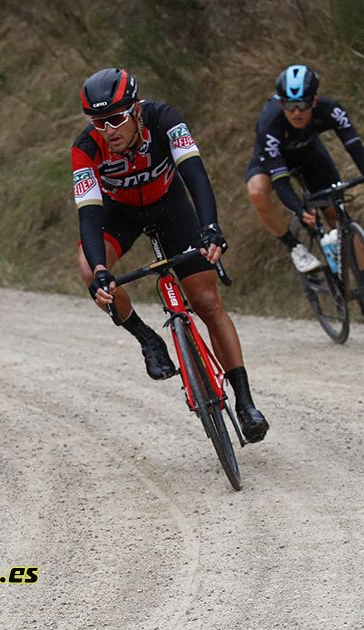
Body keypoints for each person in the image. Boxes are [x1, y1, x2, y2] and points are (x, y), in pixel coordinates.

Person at [72, 67, 269, 443]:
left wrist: (210, 227)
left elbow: (195, 175)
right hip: (120, 215)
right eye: (99, 123)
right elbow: (89, 213)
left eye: (115, 119)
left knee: (207, 300)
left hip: (169, 204)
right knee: (86, 267)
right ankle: (147, 338)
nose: (108, 130)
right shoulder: (85, 148)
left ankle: (245, 402)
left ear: (136, 111)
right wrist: (100, 269)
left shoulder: (165, 118)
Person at [245, 64, 364, 273]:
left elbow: (355, 148)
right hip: (272, 159)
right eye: (289, 105)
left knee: (338, 216)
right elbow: (281, 181)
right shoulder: (270, 122)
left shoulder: (330, 110)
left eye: (303, 103)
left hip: (309, 154)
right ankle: (295, 247)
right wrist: (299, 210)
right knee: (257, 192)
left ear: (315, 101)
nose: (296, 111)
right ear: (281, 102)